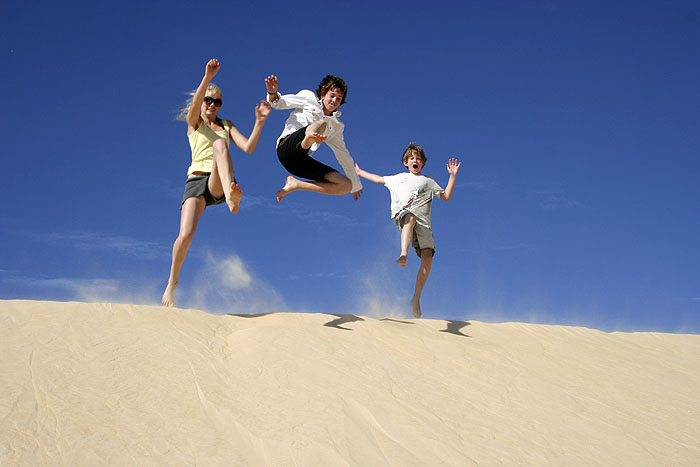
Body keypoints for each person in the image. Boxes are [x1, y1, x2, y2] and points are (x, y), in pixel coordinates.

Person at [162, 59, 270, 307]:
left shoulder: (226, 125)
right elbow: (197, 105)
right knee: (185, 235)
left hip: (219, 181)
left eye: (217, 101)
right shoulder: (194, 123)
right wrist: (207, 78)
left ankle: (231, 199)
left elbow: (248, 147)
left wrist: (260, 121)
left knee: (220, 144)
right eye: (208, 100)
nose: (211, 104)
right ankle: (172, 283)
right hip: (196, 180)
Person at [355, 143, 461, 318]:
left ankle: (416, 299)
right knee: (410, 218)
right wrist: (360, 173)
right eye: (412, 158)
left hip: (424, 225)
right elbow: (379, 179)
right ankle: (403, 253)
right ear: (405, 162)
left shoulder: (429, 181)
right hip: (404, 216)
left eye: (418, 158)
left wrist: (452, 177)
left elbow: (447, 197)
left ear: (423, 163)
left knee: (428, 256)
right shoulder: (399, 178)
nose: (415, 160)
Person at [264, 74, 363, 202]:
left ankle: (296, 184)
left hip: (299, 163)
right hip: (286, 147)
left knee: (345, 185)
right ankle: (307, 139)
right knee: (321, 124)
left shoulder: (336, 127)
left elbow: (343, 155)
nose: (334, 100)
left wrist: (355, 185)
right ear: (323, 94)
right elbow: (280, 103)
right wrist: (272, 93)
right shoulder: (308, 97)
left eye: (338, 98)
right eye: (332, 95)